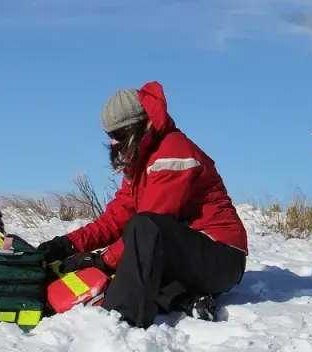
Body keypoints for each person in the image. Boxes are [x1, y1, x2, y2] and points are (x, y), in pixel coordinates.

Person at [37, 81, 249, 329]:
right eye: (109, 135)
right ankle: (182, 297)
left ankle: (119, 320)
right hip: (188, 254)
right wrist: (67, 244)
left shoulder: (172, 154)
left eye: (118, 135)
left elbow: (148, 227)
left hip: (221, 257)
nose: (113, 143)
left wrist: (101, 261)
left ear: (141, 126)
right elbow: (116, 218)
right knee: (131, 255)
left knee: (141, 233)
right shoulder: (141, 162)